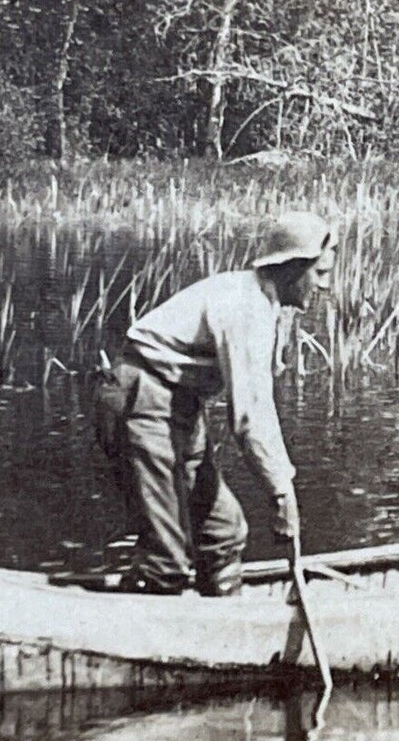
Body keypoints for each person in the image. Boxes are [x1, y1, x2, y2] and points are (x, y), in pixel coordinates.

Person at [95, 212, 335, 595]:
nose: (325, 285)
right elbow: (250, 418)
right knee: (166, 562)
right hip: (141, 400)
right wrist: (281, 493)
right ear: (293, 269)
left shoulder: (267, 307)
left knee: (224, 534)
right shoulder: (244, 306)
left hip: (179, 408)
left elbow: (261, 403)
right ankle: (140, 627)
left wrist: (281, 488)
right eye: (320, 273)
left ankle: (229, 624)